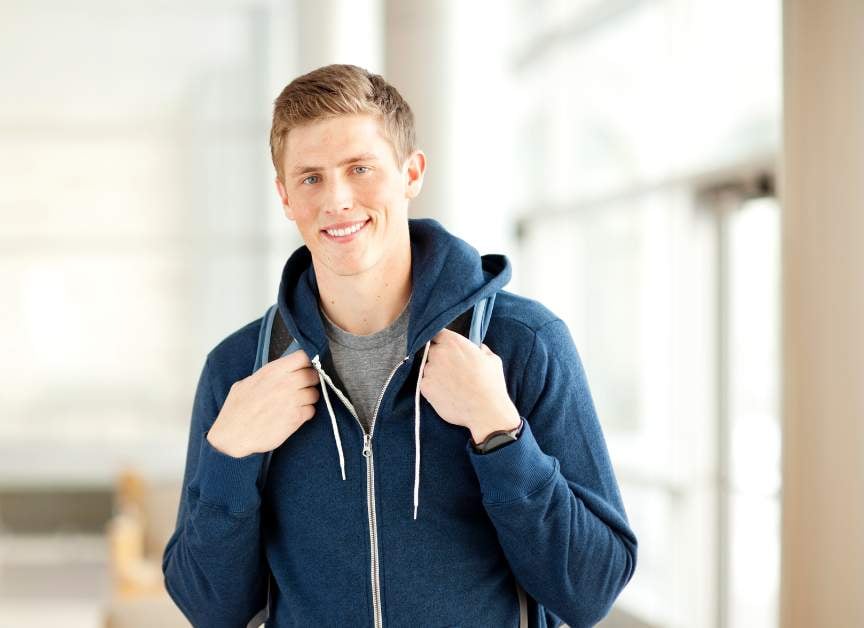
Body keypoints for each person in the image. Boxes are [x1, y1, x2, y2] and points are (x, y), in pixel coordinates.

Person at [162, 64, 636, 628]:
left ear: (411, 173)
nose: (337, 199)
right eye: (311, 178)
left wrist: (500, 436)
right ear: (285, 196)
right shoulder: (240, 369)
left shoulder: (523, 344)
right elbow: (209, 608)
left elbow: (591, 588)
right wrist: (229, 458)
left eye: (360, 169)